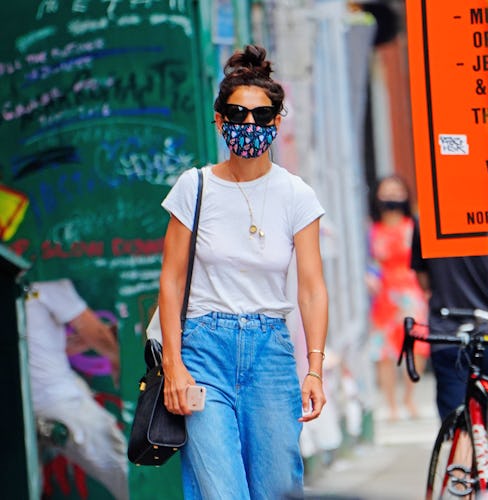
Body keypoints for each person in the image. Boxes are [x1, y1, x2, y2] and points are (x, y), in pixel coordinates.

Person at [158, 45, 328, 499]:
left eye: (260, 115)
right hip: (203, 350)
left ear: (276, 121)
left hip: (270, 354)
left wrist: (314, 369)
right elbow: (171, 281)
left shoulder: (296, 195)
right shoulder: (194, 187)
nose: (248, 125)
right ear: (219, 120)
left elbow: (311, 290)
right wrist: (174, 365)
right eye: (236, 114)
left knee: (277, 488)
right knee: (221, 491)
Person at [24, 279, 128, 500]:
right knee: (126, 471)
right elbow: (99, 336)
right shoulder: (47, 285)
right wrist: (122, 361)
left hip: (28, 405)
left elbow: (37, 346)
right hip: (59, 401)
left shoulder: (26, 293)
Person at [411, 222, 488, 422]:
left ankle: (462, 445)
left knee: (457, 421)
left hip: (447, 328)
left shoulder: (428, 217)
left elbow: (422, 279)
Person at [366, 175, 429, 420]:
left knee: (417, 346)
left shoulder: (413, 226)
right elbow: (366, 262)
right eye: (386, 191)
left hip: (411, 291)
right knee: (383, 351)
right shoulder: (371, 230)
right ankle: (391, 404)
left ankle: (409, 399)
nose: (391, 196)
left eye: (396, 190)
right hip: (383, 294)